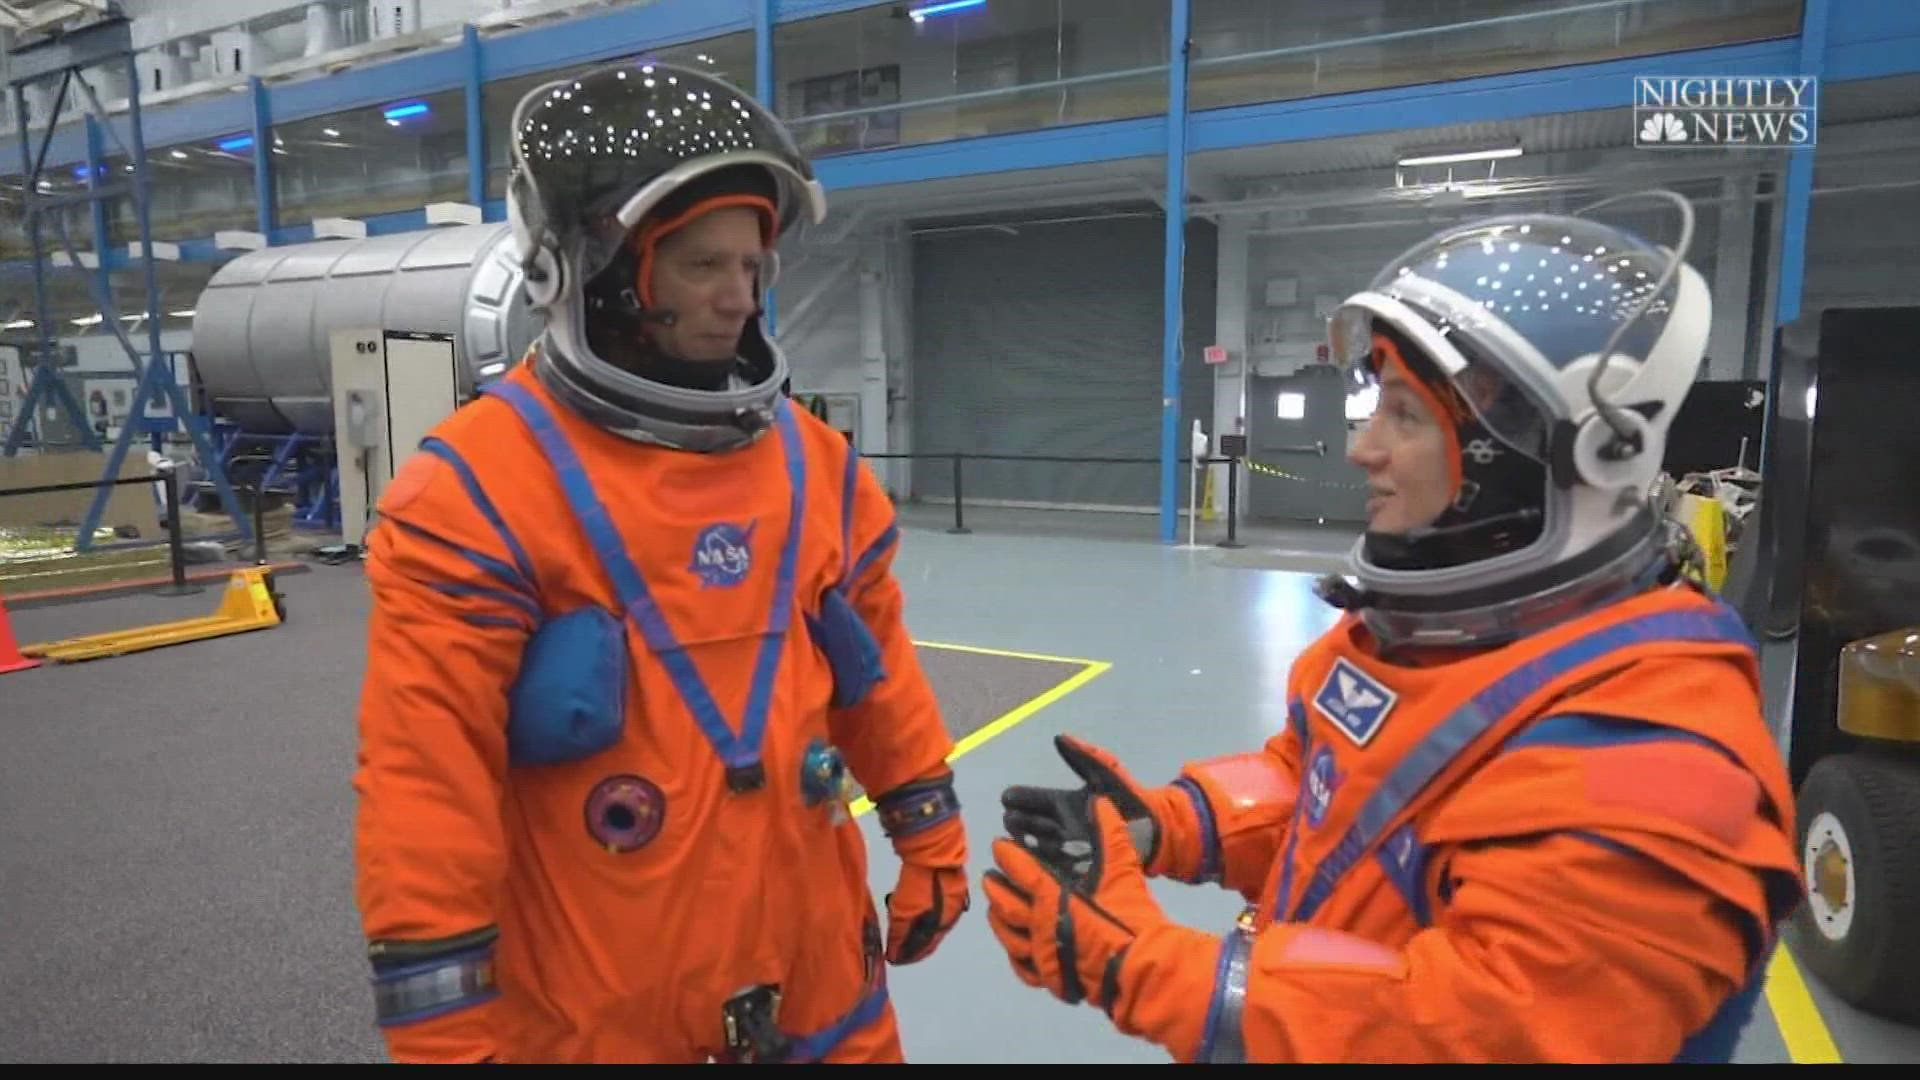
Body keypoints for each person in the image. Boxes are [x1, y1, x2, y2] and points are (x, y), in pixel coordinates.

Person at [983, 193, 1803, 1064]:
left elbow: (1486, 1031)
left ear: (1551, 457)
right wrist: (1167, 824)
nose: (1361, 449)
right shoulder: (1410, 641)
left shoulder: (1650, 758)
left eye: (1405, 415)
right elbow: (1321, 782)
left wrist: (1148, 970)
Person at [350, 61, 969, 1064]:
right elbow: (427, 780)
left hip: (822, 980)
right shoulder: (479, 491)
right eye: (699, 267)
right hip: (608, 1004)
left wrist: (929, 830)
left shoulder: (817, 472)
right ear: (594, 270)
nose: (737, 298)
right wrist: (440, 1027)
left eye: (752, 267)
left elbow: (879, 675)